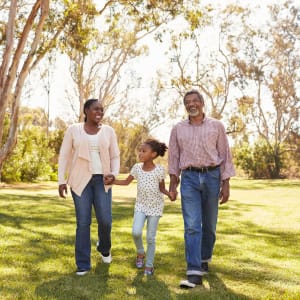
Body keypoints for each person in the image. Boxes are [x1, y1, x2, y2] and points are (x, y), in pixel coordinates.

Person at [168, 89, 235, 288]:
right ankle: (194, 271)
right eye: (187, 102)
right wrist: (173, 183)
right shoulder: (178, 128)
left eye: (195, 100)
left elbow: (225, 154)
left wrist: (226, 183)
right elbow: (173, 157)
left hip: (212, 176)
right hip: (188, 178)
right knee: (192, 225)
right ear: (185, 106)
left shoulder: (217, 126)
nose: (191, 104)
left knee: (210, 226)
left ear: (202, 103)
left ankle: (204, 258)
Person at [58, 98, 120, 276]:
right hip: (80, 180)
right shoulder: (74, 130)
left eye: (102, 109)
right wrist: (61, 180)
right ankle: (83, 264)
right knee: (83, 222)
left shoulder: (109, 131)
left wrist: (114, 174)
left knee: (105, 220)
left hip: (103, 180)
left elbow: (115, 156)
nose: (99, 112)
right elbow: (63, 155)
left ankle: (104, 247)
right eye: (95, 109)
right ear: (86, 111)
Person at [112, 138, 170, 276]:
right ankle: (140, 252)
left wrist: (170, 194)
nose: (140, 153)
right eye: (140, 151)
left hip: (155, 207)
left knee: (151, 237)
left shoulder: (160, 170)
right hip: (141, 206)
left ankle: (149, 266)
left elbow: (162, 188)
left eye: (144, 151)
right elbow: (126, 182)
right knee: (136, 232)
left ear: (153, 154)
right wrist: (112, 181)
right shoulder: (137, 168)